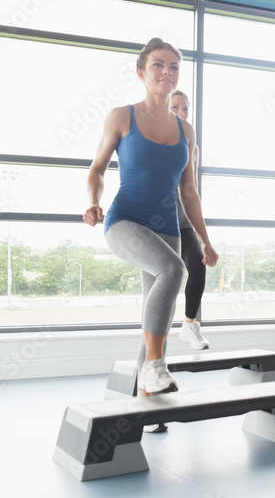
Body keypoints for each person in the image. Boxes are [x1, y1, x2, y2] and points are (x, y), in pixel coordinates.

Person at [84, 38, 218, 397]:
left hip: (168, 227)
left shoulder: (186, 131)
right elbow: (97, 169)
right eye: (158, 65)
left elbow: (189, 192)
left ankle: (146, 400)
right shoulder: (122, 116)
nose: (167, 72)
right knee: (174, 270)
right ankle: (157, 368)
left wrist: (205, 239)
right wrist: (93, 201)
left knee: (155, 312)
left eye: (174, 66)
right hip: (125, 219)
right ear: (142, 72)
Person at [170, 90, 211, 351]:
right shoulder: (153, 138)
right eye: (176, 108)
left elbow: (190, 190)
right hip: (156, 220)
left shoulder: (191, 147)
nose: (182, 113)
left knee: (198, 265)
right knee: (165, 275)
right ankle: (153, 340)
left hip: (182, 221)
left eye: (185, 109)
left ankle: (189, 325)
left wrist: (204, 238)